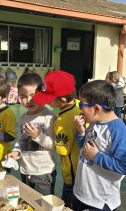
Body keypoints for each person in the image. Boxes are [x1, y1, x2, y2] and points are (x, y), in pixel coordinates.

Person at [73, 80, 126, 211]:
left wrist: (96, 156)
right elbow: (84, 149)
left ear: (95, 108)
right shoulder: (95, 122)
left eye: (81, 105)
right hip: (82, 193)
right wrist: (81, 132)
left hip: (100, 201)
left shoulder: (117, 130)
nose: (79, 109)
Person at [32, 70, 80, 208]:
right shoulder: (77, 105)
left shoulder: (62, 120)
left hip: (72, 175)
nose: (46, 102)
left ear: (63, 100)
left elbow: (61, 149)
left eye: (49, 98)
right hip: (81, 169)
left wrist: (39, 136)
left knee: (68, 206)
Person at [5, 73, 56, 195]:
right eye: (23, 96)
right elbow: (21, 140)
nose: (29, 100)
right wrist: (16, 151)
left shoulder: (49, 117)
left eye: (34, 96)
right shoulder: (23, 117)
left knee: (43, 206)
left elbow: (55, 145)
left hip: (43, 173)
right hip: (25, 171)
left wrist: (38, 136)